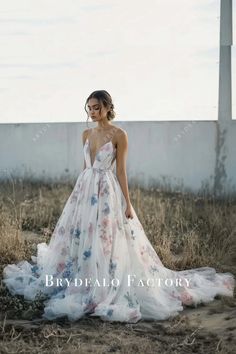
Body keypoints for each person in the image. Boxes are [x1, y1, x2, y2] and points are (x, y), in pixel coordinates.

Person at [3, 90, 235, 323]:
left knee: (106, 236)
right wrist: (77, 197)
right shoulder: (85, 134)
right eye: (89, 108)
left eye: (96, 107)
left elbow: (121, 170)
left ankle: (106, 279)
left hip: (106, 190)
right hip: (84, 188)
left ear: (107, 107)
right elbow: (84, 167)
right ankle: (84, 276)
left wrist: (128, 203)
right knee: (82, 235)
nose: (92, 112)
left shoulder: (119, 134)